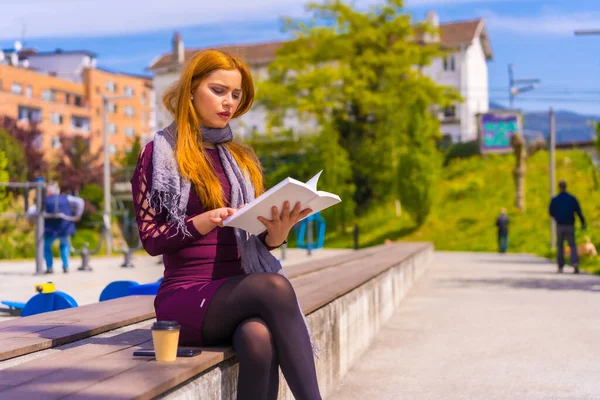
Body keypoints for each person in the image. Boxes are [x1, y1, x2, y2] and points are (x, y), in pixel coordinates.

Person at [131, 49, 322, 400]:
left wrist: (277, 232)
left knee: (258, 338)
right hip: (186, 296)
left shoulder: (242, 158)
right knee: (274, 288)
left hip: (238, 289)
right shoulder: (159, 154)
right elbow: (151, 238)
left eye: (236, 94)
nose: (229, 102)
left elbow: (256, 243)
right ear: (191, 91)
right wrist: (200, 222)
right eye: (219, 91)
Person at [27, 182, 85, 273]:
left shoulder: (44, 200)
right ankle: (65, 266)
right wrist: (78, 215)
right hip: (64, 227)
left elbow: (31, 211)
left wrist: (30, 219)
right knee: (64, 246)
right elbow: (80, 201)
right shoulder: (66, 198)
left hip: (50, 229)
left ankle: (49, 267)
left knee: (46, 247)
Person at [549, 180, 586, 274]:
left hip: (560, 225)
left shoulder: (555, 199)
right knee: (572, 245)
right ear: (566, 186)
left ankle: (560, 266)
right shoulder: (572, 198)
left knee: (560, 245)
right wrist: (582, 222)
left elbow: (551, 212)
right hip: (570, 225)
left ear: (559, 187)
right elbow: (578, 211)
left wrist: (557, 217)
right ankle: (574, 263)